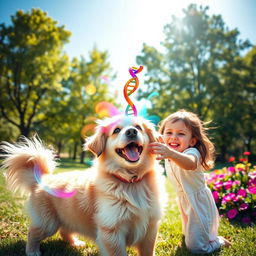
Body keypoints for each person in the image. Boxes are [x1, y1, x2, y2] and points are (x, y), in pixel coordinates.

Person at [149, 109, 231, 254]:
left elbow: (190, 163)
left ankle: (217, 242)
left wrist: (170, 153)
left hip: (198, 203)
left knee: (196, 248)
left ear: (192, 140)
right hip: (184, 201)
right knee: (189, 236)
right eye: (169, 133)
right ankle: (197, 236)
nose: (173, 137)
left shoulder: (191, 153)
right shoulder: (169, 154)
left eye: (181, 134)